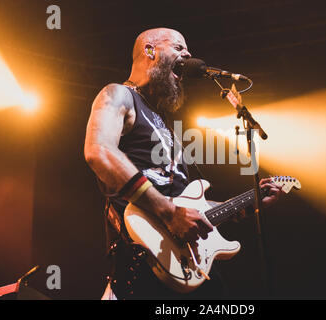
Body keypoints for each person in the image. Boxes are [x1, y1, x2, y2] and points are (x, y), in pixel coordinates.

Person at [84, 28, 282, 299]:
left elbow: (189, 208)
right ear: (150, 50)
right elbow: (99, 152)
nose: (188, 54)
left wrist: (249, 202)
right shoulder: (118, 94)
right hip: (139, 257)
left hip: (182, 264)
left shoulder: (167, 126)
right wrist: (168, 213)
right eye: (178, 47)